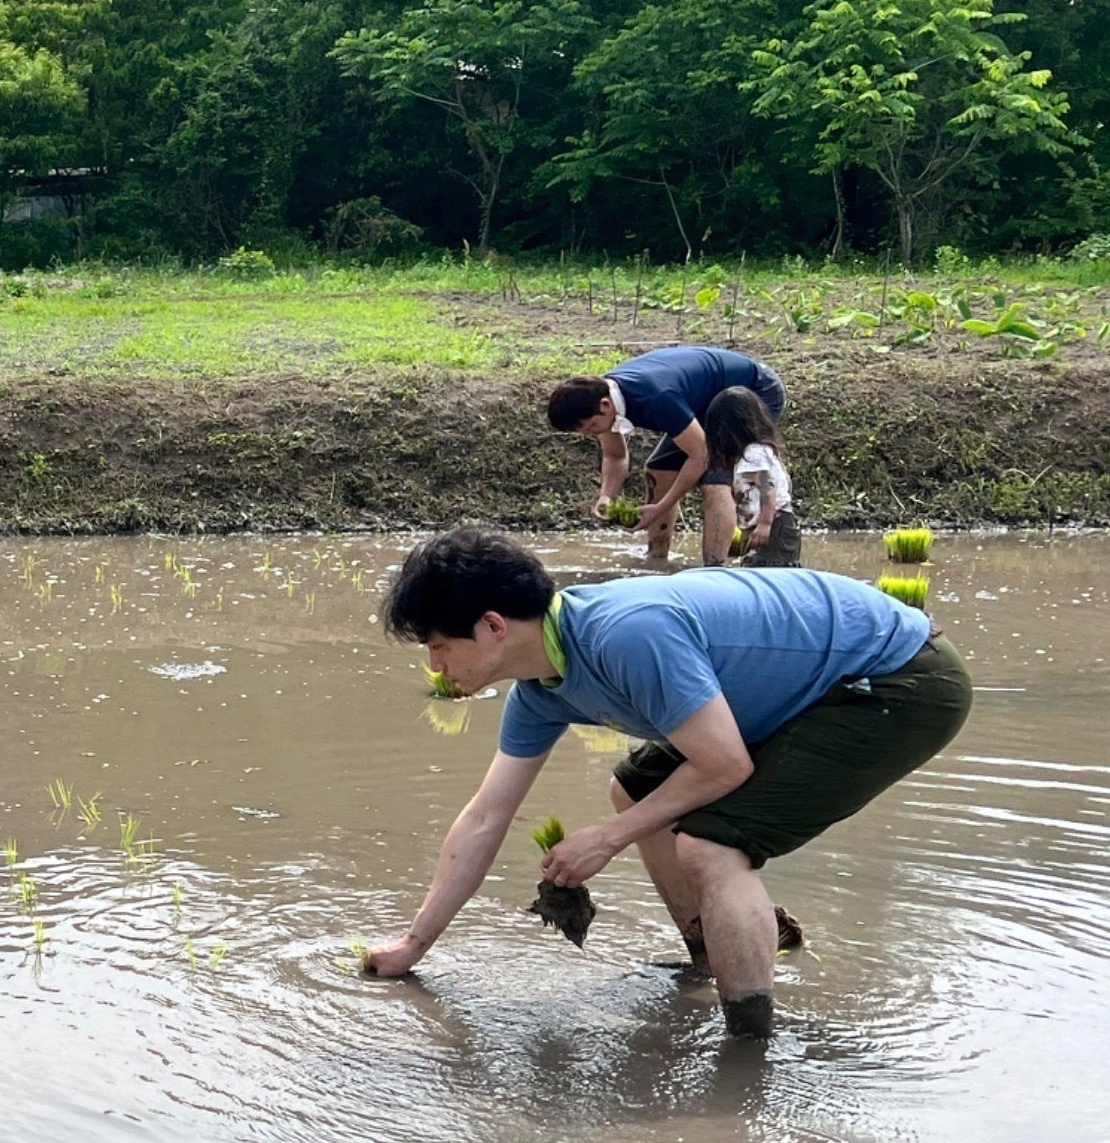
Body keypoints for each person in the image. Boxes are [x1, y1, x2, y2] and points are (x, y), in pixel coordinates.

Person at [360, 527, 970, 1036]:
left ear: (494, 626)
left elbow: (726, 766)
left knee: (710, 846)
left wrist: (607, 839)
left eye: (440, 646)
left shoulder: (627, 634)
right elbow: (485, 817)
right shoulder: (541, 691)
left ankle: (748, 1045)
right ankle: (710, 957)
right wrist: (413, 947)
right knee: (636, 792)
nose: (436, 666)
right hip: (797, 692)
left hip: (896, 678)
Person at [546, 344, 784, 567]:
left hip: (752, 391)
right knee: (659, 468)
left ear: (606, 405)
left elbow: (700, 456)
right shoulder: (596, 401)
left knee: (715, 478)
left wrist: (660, 507)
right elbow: (615, 456)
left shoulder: (655, 398)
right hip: (701, 401)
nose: (589, 434)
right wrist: (606, 497)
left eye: (589, 427)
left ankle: (715, 569)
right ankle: (657, 558)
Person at [703, 386, 798, 568]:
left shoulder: (754, 454)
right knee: (757, 568)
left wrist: (764, 525)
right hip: (768, 523)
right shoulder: (756, 453)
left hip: (774, 524)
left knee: (769, 570)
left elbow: (768, 487)